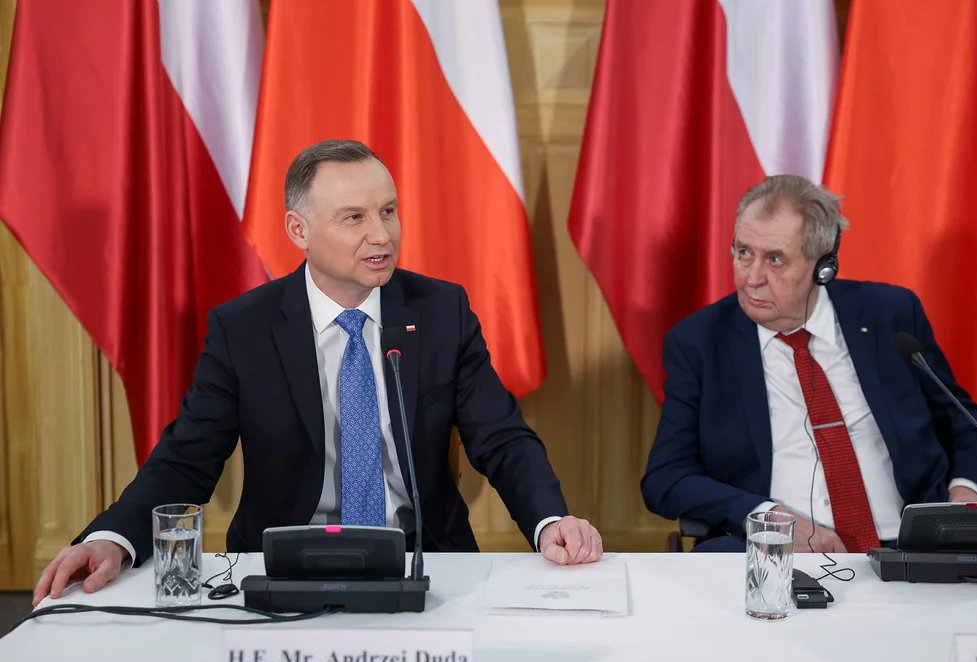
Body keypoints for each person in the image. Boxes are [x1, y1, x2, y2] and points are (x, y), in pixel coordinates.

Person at [34, 139, 603, 605]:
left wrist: (549, 520)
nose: (381, 235)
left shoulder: (440, 311)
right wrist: (113, 539)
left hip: (423, 559)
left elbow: (500, 437)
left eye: (388, 211)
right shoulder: (245, 329)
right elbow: (187, 459)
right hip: (282, 566)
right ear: (298, 230)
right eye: (354, 217)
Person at [640, 175, 977, 553]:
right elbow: (667, 477)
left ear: (823, 265)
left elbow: (968, 427)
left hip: (907, 548)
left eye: (775, 259)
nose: (751, 279)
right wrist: (766, 517)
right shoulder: (700, 341)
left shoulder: (889, 315)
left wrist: (964, 496)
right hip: (777, 553)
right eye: (743, 253)